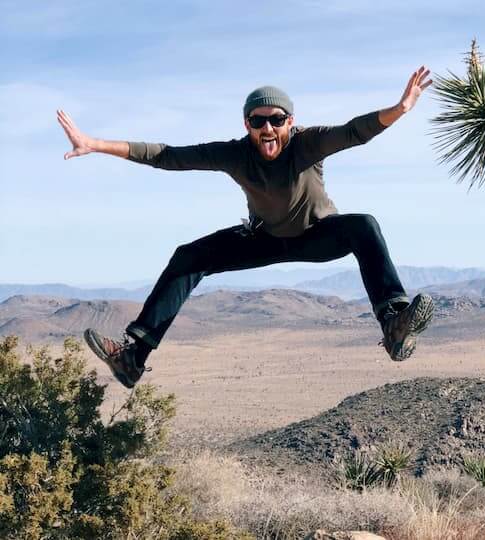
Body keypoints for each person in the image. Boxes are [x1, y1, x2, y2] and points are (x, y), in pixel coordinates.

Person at [57, 66, 435, 389]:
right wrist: (95, 144)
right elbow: (167, 156)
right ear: (247, 125)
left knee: (364, 226)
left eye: (275, 119)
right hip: (264, 237)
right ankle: (133, 357)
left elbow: (356, 131)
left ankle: (394, 323)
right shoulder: (236, 154)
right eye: (257, 121)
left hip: (317, 234)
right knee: (190, 257)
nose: (267, 128)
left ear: (290, 121)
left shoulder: (308, 143)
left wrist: (400, 109)